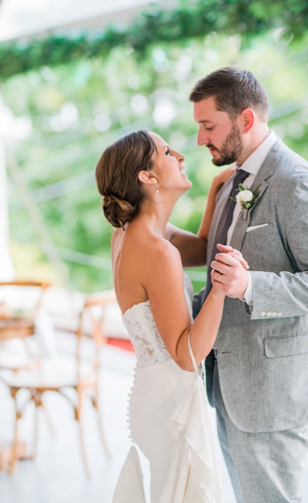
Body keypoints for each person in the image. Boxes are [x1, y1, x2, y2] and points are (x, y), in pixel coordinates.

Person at [166, 67, 308, 503]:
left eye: (208, 126)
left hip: (274, 390)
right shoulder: (232, 181)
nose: (200, 139)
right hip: (231, 382)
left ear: (246, 120)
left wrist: (251, 285)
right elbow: (211, 261)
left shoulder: (299, 182)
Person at [98, 128, 232, 502]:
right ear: (147, 176)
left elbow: (202, 248)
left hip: (153, 399)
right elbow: (187, 355)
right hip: (172, 411)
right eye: (169, 152)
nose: (182, 157)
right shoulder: (157, 250)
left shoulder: (130, 234)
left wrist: (215, 191)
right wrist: (221, 288)